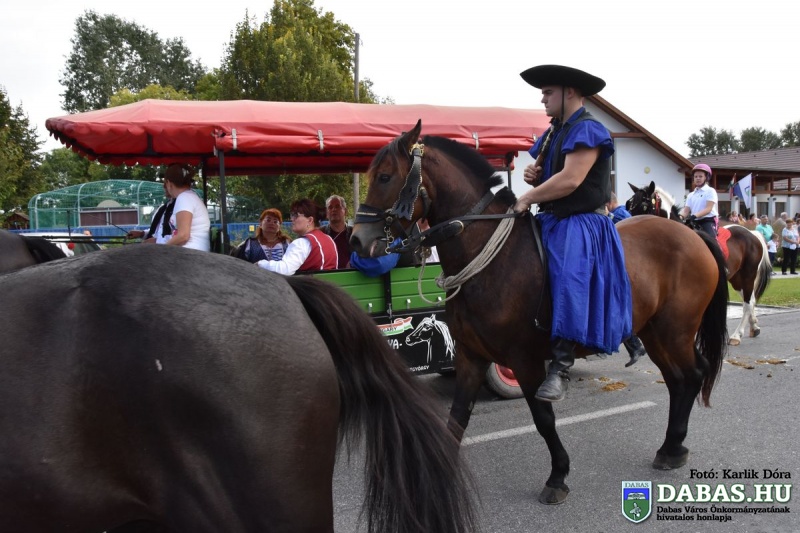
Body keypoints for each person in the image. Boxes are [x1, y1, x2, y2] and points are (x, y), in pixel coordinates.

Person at [514, 64, 632, 402]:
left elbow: (570, 180)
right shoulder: (554, 132)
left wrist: (527, 197)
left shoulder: (588, 129)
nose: (542, 99)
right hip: (552, 218)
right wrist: (534, 176)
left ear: (570, 92)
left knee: (568, 276)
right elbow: (552, 177)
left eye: (548, 92)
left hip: (581, 222)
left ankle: (561, 366)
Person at [256, 198, 337, 275]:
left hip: (307, 285)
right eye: (292, 215)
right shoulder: (328, 239)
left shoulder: (301, 243)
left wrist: (260, 264)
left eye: (295, 215)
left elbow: (285, 270)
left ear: (310, 220)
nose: (292, 219)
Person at [163, 164, 210, 252]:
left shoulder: (184, 198)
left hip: (191, 252)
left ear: (169, 183)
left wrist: (161, 249)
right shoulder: (189, 196)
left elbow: (183, 236)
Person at [126, 179, 174, 244]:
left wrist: (157, 241)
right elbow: (157, 232)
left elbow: (182, 235)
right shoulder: (162, 209)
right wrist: (142, 234)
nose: (164, 186)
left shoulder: (180, 208)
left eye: (167, 182)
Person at [680, 164, 718, 238]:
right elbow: (686, 211)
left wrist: (694, 216)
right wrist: (679, 217)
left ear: (706, 178)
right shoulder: (691, 195)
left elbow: (708, 209)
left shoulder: (710, 191)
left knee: (711, 239)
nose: (698, 178)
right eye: (696, 176)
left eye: (700, 176)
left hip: (707, 221)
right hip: (694, 221)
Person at [321, 195, 353, 269]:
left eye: (337, 206)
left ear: (345, 211)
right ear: (326, 213)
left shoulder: (354, 233)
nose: (334, 210)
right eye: (330, 207)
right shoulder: (320, 234)